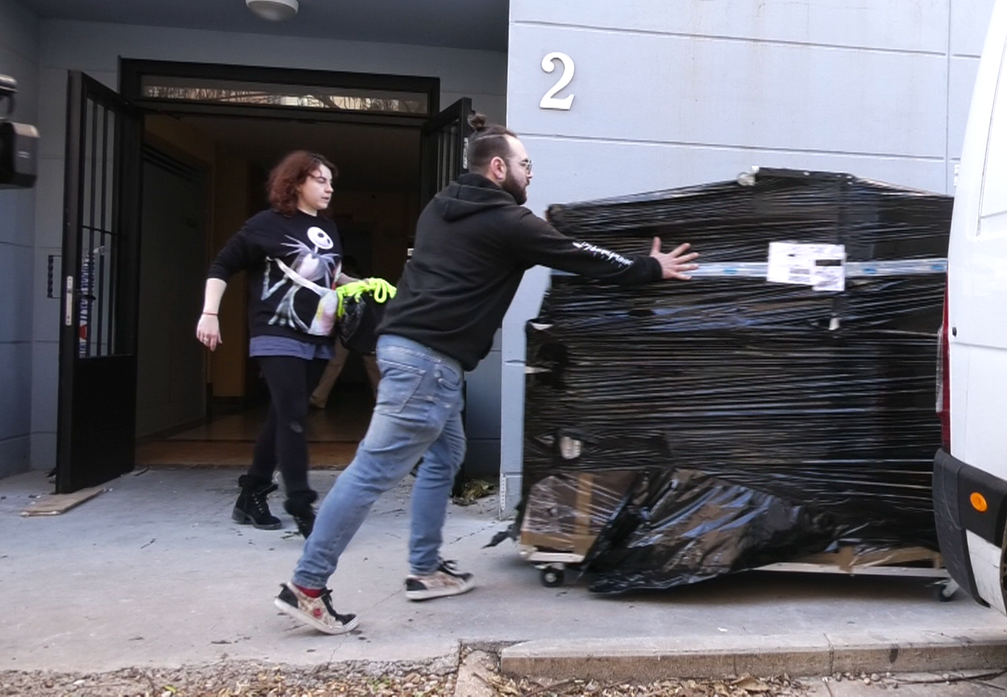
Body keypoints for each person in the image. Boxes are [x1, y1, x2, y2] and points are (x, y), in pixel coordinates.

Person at [273, 115, 698, 634]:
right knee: (370, 474)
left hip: (413, 353)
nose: (531, 175)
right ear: (498, 168)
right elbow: (579, 255)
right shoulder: (507, 222)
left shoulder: (441, 206)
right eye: (525, 165)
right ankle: (308, 585)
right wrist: (650, 269)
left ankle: (425, 568)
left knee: (446, 455)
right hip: (427, 363)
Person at [197, 151, 355, 538]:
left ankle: (250, 494)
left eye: (330, 181)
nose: (328, 188)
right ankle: (301, 505)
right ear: (295, 182)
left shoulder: (329, 229)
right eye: (319, 180)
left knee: (283, 415)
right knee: (293, 416)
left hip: (317, 334)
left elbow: (330, 276)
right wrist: (209, 313)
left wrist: (369, 288)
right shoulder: (266, 225)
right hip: (275, 332)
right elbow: (222, 265)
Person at [309, 256, 382, 409]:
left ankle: (318, 398)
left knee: (336, 363)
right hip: (360, 327)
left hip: (350, 327)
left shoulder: (337, 281)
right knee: (368, 363)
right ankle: (382, 401)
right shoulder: (360, 283)